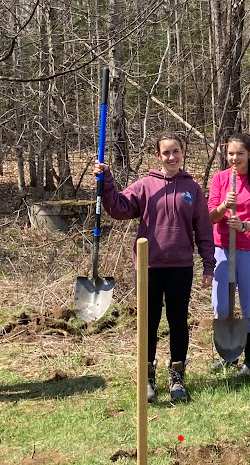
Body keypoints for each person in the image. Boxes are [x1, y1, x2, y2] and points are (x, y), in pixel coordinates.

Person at [92, 131, 215, 402]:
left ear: (183, 154)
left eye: (176, 151)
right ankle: (147, 376)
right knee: (148, 322)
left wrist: (209, 265)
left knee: (178, 321)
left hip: (180, 265)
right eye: (166, 152)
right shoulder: (145, 186)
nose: (171, 157)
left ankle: (177, 376)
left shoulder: (192, 189)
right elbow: (119, 208)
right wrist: (107, 179)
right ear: (158, 156)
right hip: (148, 265)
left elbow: (204, 230)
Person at [207, 132, 250, 375]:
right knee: (221, 307)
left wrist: (245, 225)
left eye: (240, 153)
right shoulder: (220, 179)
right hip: (223, 249)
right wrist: (225, 205)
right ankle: (228, 355)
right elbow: (211, 217)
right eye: (230, 154)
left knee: (249, 307)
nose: (234, 158)